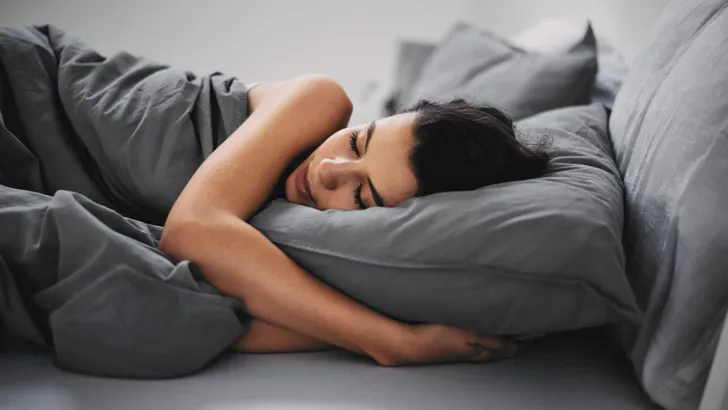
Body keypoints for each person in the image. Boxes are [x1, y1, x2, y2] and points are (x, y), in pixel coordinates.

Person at [159, 74, 549, 367]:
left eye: (361, 195)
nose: (328, 169)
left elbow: (217, 326)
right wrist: (394, 341)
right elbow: (191, 230)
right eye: (356, 142)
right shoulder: (319, 99)